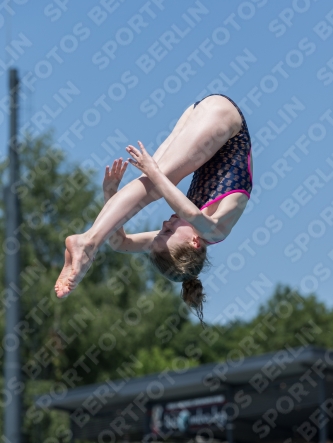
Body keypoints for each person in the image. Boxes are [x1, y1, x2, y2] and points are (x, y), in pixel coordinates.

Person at [55, 94, 253, 322]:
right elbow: (190, 212)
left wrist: (110, 193)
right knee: (155, 183)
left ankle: (87, 243)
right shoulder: (214, 230)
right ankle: (87, 243)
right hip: (225, 122)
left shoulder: (189, 233)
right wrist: (156, 174)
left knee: (149, 182)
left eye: (162, 231)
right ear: (194, 242)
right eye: (168, 232)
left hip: (200, 113)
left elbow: (120, 242)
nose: (164, 224)